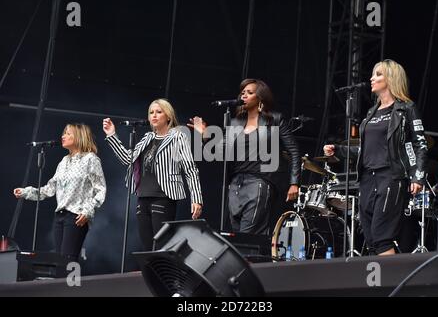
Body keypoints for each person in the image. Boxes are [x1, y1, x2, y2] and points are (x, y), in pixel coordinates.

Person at [323, 59, 428, 256]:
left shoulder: (406, 108)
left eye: (378, 74)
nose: (372, 78)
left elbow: (420, 144)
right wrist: (338, 150)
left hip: (391, 176)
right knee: (370, 236)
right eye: (373, 74)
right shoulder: (371, 113)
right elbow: (366, 149)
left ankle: (387, 283)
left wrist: (417, 176)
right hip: (367, 179)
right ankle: (383, 281)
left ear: (391, 78)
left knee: (381, 236)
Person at [188, 78, 301, 235]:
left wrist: (294, 183)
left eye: (249, 93)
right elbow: (220, 154)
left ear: (260, 97)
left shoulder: (274, 120)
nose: (244, 96)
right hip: (236, 184)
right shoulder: (235, 123)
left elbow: (294, 151)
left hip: (260, 182)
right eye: (242, 93)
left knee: (247, 234)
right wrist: (205, 137)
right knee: (237, 235)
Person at [103, 98, 203, 250]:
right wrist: (112, 135)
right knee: (148, 247)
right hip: (143, 198)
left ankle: (166, 273)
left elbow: (190, 169)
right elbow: (127, 159)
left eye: (159, 112)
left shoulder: (178, 137)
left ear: (168, 116)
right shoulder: (147, 138)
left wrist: (196, 198)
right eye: (151, 112)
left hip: (163, 197)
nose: (154, 115)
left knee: (161, 246)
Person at [13, 123, 106, 261]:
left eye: (68, 133)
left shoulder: (90, 159)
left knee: (68, 258)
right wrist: (26, 192)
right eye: (64, 133)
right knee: (60, 260)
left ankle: (71, 283)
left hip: (76, 216)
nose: (63, 136)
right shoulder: (63, 162)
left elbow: (100, 189)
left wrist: (88, 211)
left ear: (80, 136)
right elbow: (49, 189)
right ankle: (63, 283)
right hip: (60, 216)